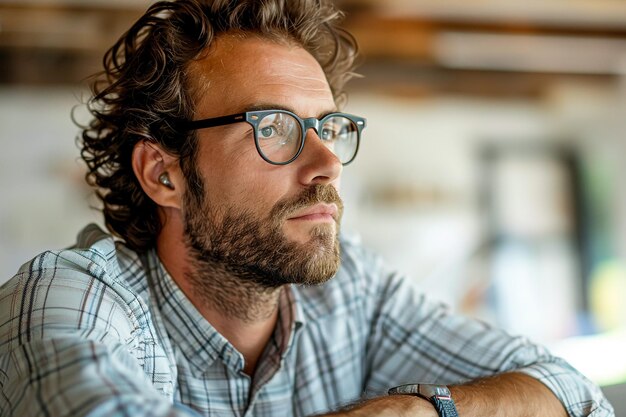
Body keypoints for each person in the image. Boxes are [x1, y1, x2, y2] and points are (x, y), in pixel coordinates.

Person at [0, 0, 614, 416]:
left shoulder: (355, 291)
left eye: (329, 126)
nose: (328, 162)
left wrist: (418, 408)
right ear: (165, 174)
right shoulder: (69, 300)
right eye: (274, 127)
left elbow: (574, 393)